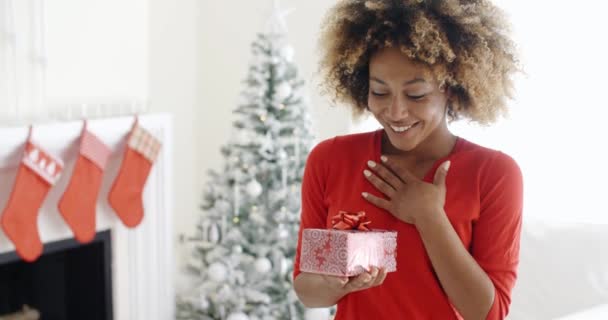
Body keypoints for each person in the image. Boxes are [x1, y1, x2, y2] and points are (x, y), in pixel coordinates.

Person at [292, 1, 523, 319]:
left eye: (416, 95)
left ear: (452, 90)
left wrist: (430, 217)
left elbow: (488, 313)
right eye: (379, 91)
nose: (396, 112)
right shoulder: (330, 159)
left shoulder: (494, 173)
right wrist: (338, 284)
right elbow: (306, 290)